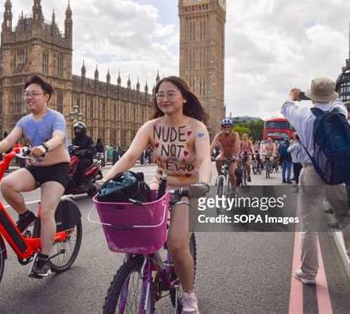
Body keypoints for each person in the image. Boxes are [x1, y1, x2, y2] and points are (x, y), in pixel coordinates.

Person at [99, 76, 211, 312]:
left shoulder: (197, 128)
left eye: (171, 94)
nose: (164, 98)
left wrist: (203, 183)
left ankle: (189, 295)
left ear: (184, 98)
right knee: (136, 233)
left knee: (178, 246)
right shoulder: (151, 127)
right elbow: (130, 156)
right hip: (159, 188)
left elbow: (204, 160)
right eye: (160, 94)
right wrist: (105, 179)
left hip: (188, 191)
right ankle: (144, 268)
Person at [0, 75, 70, 278]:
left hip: (57, 169)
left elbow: (58, 137)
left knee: (46, 212)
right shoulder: (24, 121)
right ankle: (25, 215)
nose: (29, 97)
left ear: (46, 96)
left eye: (34, 94)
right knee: (7, 185)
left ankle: (44, 259)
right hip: (35, 168)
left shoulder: (56, 117)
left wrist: (44, 146)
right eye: (27, 94)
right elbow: (9, 141)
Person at [282, 78, 350, 286]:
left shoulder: (303, 115)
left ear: (311, 96)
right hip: (336, 169)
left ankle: (309, 272)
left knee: (310, 223)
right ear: (332, 96)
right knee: (344, 213)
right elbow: (338, 103)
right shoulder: (340, 112)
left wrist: (294, 96)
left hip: (312, 172)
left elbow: (285, 106)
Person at [211, 118, 240, 191]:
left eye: (228, 127)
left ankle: (234, 190)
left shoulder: (235, 135)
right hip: (223, 154)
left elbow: (237, 145)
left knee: (231, 173)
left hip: (233, 155)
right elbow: (212, 146)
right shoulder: (219, 135)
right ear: (222, 127)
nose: (226, 128)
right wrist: (208, 155)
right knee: (217, 160)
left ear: (231, 127)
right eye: (224, 127)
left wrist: (236, 156)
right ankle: (220, 175)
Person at [72, 121, 94, 189]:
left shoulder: (88, 139)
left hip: (86, 158)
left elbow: (92, 149)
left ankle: (81, 183)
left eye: (78, 129)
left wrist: (84, 152)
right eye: (75, 129)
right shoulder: (74, 139)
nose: (76, 131)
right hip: (76, 158)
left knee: (80, 164)